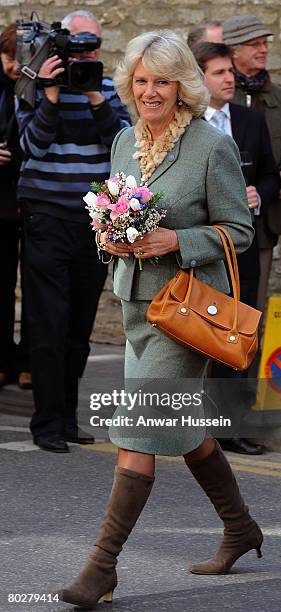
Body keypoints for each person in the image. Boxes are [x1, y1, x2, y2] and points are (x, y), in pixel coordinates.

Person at [60, 30, 263, 609]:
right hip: (136, 306)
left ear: (182, 86)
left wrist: (179, 238)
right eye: (142, 81)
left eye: (162, 81)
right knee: (177, 426)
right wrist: (112, 236)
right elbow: (120, 215)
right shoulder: (125, 140)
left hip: (188, 310)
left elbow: (239, 230)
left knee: (137, 428)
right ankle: (241, 528)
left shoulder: (209, 145)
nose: (150, 92)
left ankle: (101, 568)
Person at [16, 10, 130, 453]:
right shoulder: (34, 82)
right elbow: (31, 146)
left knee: (79, 325)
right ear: (63, 44)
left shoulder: (107, 89)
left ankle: (67, 417)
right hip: (47, 216)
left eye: (94, 44)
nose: (87, 52)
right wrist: (49, 95)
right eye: (79, 44)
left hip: (93, 219)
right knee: (48, 323)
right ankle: (46, 422)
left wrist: (96, 99)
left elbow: (121, 143)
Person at [194, 41, 280, 454]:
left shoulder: (249, 120)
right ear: (198, 79)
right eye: (219, 72)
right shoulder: (191, 125)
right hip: (201, 245)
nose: (229, 78)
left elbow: (267, 174)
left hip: (241, 245)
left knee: (241, 333)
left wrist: (257, 195)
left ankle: (235, 427)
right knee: (199, 334)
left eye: (231, 71)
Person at [222, 14, 281, 312]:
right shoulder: (216, 95)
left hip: (261, 219)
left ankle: (249, 359)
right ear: (233, 50)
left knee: (251, 307)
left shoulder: (279, 99)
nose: (263, 50)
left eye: (264, 43)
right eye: (254, 44)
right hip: (215, 223)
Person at [0, 23, 31, 390]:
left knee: (38, 294)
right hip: (3, 207)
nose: (12, 66)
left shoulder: (34, 85)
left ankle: (28, 362)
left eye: (18, 59)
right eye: (8, 57)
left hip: (33, 199)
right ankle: (4, 359)